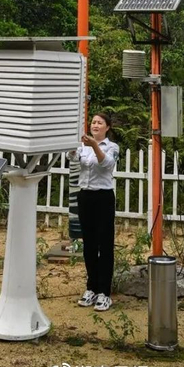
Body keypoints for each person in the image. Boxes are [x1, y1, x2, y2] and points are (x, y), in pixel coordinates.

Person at [72, 112, 119, 312]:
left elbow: (106, 164)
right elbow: (72, 157)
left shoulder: (112, 147)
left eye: (100, 123)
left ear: (107, 127)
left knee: (104, 244)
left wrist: (94, 146)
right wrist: (73, 144)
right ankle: (91, 287)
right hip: (85, 196)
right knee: (89, 244)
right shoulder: (82, 146)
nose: (95, 125)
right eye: (93, 122)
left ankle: (104, 292)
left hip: (103, 197)